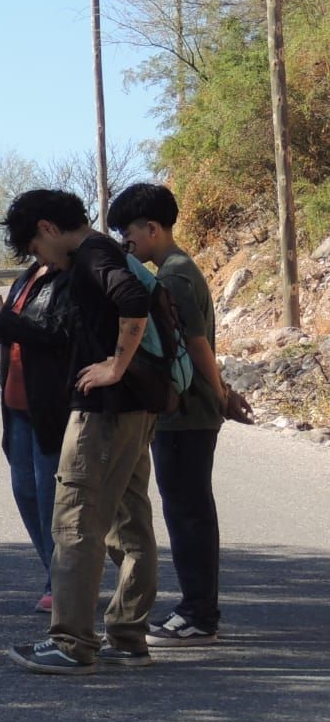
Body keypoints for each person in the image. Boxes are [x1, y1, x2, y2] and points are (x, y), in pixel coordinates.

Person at [1, 190, 166, 675]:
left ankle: (71, 643)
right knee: (129, 521)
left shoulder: (92, 254)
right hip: (136, 409)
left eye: (35, 246)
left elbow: (133, 300)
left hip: (104, 413)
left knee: (75, 520)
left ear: (49, 229)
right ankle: (128, 635)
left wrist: (116, 365)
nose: (39, 258)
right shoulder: (103, 253)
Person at [107, 182, 248, 645]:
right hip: (184, 411)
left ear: (152, 228)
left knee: (188, 511)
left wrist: (221, 393)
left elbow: (196, 343)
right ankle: (198, 608)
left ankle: (198, 614)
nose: (126, 244)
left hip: (189, 412)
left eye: (129, 234)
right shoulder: (171, 270)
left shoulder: (175, 276)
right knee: (188, 507)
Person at [0, 256, 73, 614]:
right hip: (17, 406)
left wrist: (8, 321)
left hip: (49, 406)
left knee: (51, 499)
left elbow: (56, 336)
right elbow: (8, 332)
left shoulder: (69, 278)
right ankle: (59, 575)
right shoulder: (29, 276)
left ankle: (63, 584)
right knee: (26, 493)